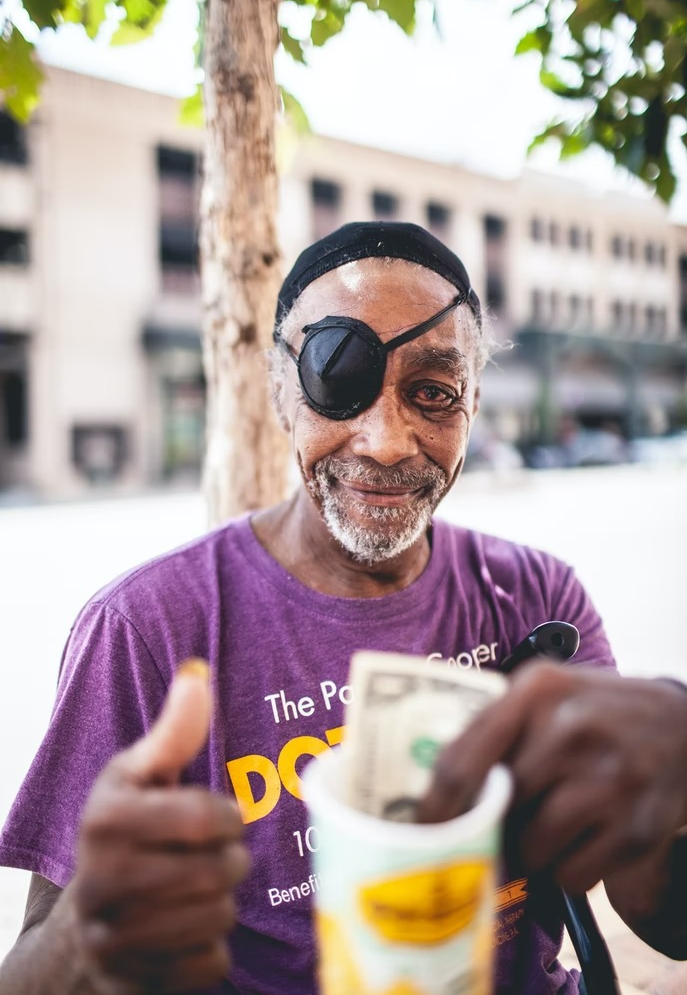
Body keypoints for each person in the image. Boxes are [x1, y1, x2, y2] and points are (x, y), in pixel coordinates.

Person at [0, 221, 685, 994]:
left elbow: (667, 921)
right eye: (337, 377)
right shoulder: (148, 628)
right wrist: (89, 932)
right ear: (281, 391)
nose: (387, 440)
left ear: (472, 405)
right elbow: (30, 970)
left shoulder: (535, 598)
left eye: (432, 392)